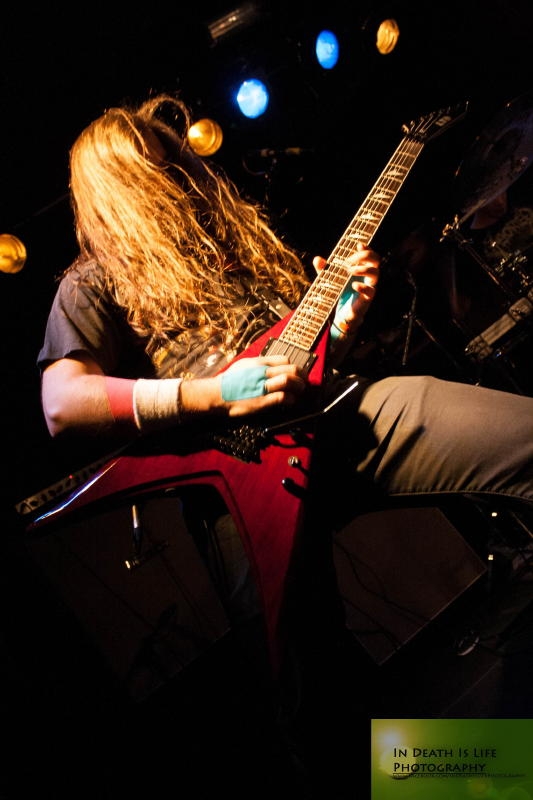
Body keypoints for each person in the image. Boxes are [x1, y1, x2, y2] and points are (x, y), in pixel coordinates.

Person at [36, 92, 533, 781]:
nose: (172, 175)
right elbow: (62, 404)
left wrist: (343, 316)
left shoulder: (236, 239)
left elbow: (306, 354)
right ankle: (485, 777)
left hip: (343, 414)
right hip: (236, 472)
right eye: (150, 167)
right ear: (113, 187)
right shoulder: (90, 283)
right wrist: (212, 392)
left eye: (174, 160)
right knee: (316, 702)